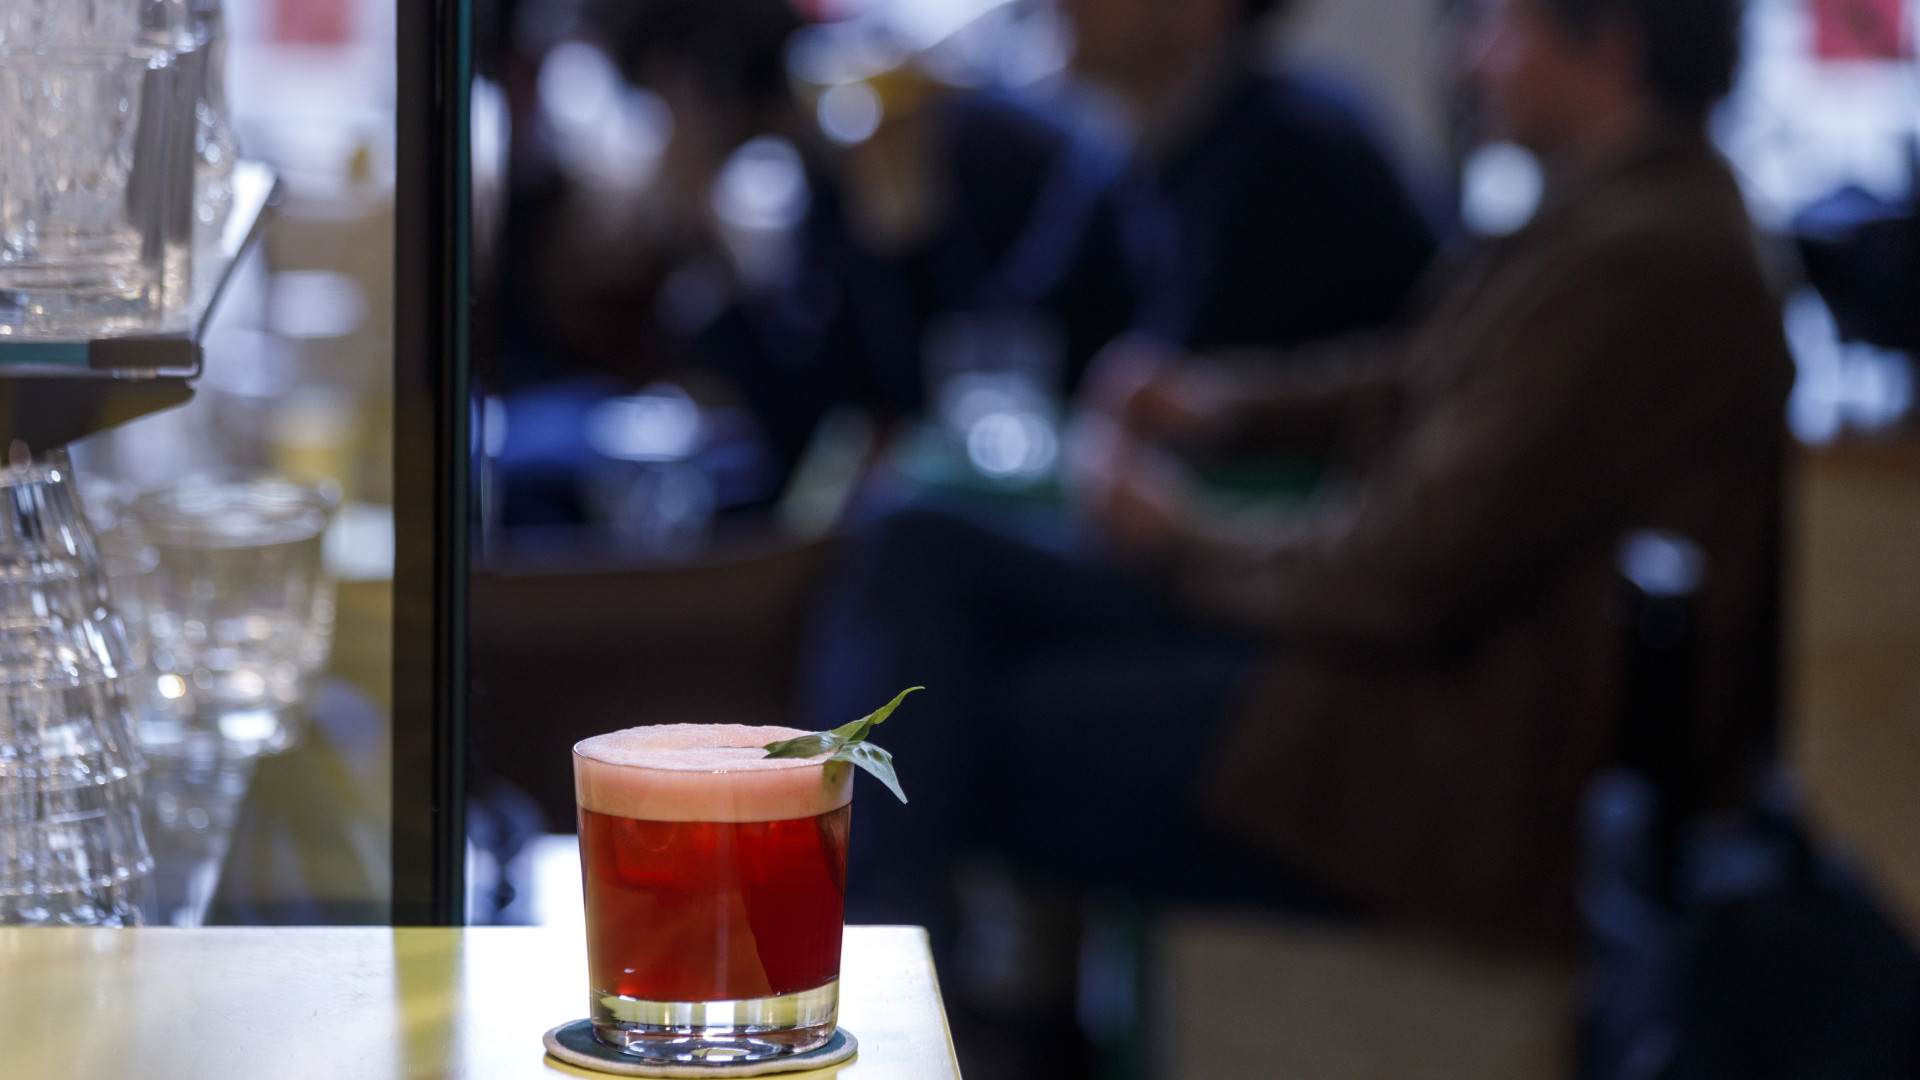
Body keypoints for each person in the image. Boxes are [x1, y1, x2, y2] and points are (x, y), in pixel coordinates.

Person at [808, 0, 1790, 958]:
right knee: (917, 543)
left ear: (1610, 45)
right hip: (1382, 671)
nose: (1472, 54)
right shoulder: (1617, 217)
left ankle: (858, 1002)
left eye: (1501, 22)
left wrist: (1177, 537)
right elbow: (1420, 377)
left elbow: (1405, 567)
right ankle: (875, 996)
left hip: (1435, 746)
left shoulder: (1647, 256)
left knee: (952, 721)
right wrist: (1222, 409)